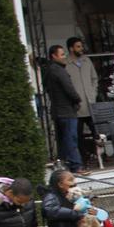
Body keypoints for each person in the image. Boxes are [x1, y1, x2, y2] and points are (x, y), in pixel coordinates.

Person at [44, 45, 86, 174]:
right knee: (70, 138)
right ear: (54, 56)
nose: (64, 57)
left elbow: (46, 88)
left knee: (62, 140)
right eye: (61, 54)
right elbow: (69, 88)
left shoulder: (48, 71)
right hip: (66, 110)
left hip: (57, 111)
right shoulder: (59, 71)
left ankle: (62, 166)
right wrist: (77, 99)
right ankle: (76, 166)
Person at [65, 37, 100, 169]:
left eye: (81, 46)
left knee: (96, 133)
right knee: (78, 136)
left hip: (90, 104)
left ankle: (99, 157)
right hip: (77, 107)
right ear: (71, 48)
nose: (81, 49)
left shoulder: (87, 61)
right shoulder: (66, 63)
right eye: (78, 47)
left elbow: (94, 78)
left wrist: (93, 93)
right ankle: (83, 160)